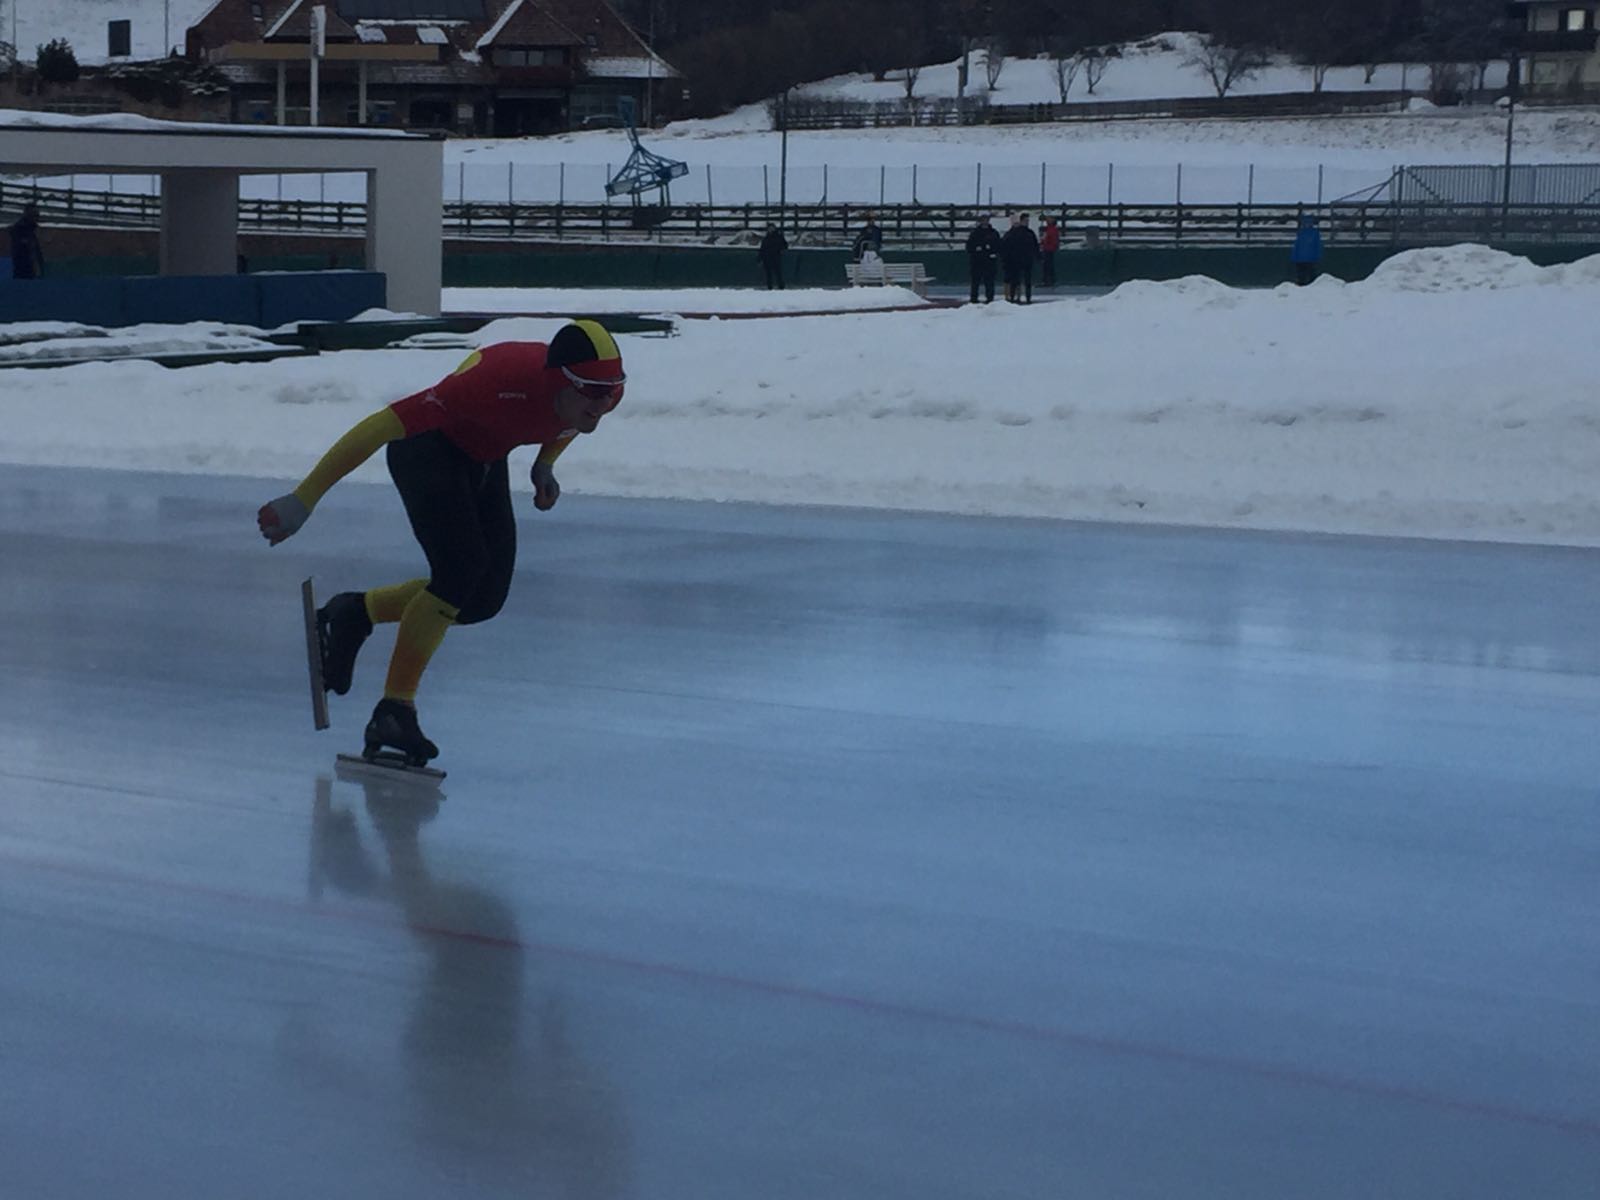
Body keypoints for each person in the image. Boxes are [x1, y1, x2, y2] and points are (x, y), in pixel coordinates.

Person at [256, 320, 626, 766]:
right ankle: (395, 710)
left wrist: (544, 464)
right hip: (426, 449)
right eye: (592, 391)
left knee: (482, 599)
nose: (603, 404)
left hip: (485, 457)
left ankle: (355, 612)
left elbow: (569, 423)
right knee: (460, 572)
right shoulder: (490, 384)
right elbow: (378, 427)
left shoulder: (593, 396)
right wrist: (304, 498)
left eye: (612, 391)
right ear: (559, 379)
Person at [1001, 211, 1040, 304]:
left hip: (1027, 260)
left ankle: (1028, 298)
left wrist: (1038, 256)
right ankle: (1013, 297)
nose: (1027, 222)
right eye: (1025, 220)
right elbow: (1007, 246)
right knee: (1015, 280)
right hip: (1015, 260)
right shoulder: (1013, 233)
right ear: (1021, 221)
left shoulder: (1030, 233)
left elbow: (1035, 246)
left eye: (1028, 221)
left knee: (1027, 281)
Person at [964, 214, 1001, 304]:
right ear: (980, 221)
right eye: (983, 220)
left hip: (989, 262)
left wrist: (993, 252)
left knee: (989, 281)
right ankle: (973, 299)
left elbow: (999, 245)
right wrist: (976, 249)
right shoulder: (975, 233)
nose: (985, 222)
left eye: (987, 220)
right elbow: (969, 247)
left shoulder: (993, 233)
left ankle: (990, 298)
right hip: (977, 261)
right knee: (975, 281)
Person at [9, 203, 44, 280]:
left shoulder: (32, 230)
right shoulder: (19, 229)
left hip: (31, 271)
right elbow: (20, 250)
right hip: (23, 271)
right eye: (34, 215)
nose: (36, 218)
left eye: (37, 215)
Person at [1292, 214, 1323, 286]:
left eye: (1309, 223)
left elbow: (1318, 245)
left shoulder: (1314, 232)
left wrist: (1318, 256)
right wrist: (1294, 256)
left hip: (1310, 258)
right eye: (1305, 223)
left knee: (1311, 276)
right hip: (1301, 259)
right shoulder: (1301, 232)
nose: (1307, 224)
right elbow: (1297, 245)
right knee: (1301, 276)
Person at [757, 225, 788, 290]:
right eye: (769, 228)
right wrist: (759, 259)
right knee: (768, 274)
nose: (771, 230)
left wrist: (783, 249)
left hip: (776, 258)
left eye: (772, 228)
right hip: (767, 258)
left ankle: (781, 286)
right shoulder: (766, 238)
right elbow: (762, 249)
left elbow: (785, 245)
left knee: (778, 273)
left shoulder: (779, 237)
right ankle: (769, 287)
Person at [1039, 216, 1060, 287]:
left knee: (1048, 266)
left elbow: (1053, 240)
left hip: (1049, 249)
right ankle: (1048, 280)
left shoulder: (1052, 230)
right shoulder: (1049, 229)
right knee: (1047, 265)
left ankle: (1049, 281)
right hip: (1047, 249)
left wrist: (1046, 243)